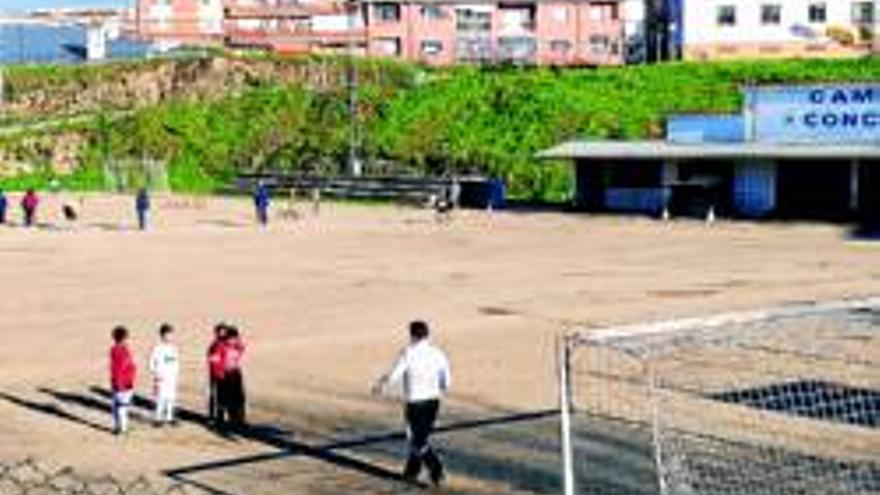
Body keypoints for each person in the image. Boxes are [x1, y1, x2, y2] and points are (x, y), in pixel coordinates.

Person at [373, 321, 451, 486]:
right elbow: (446, 381)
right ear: (427, 334)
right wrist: (438, 388)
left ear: (412, 335)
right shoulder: (438, 353)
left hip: (415, 404)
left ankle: (436, 469)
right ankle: (411, 472)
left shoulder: (407, 353)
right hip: (433, 402)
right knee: (421, 438)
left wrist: (381, 385)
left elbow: (395, 376)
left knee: (416, 440)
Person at [149, 323, 180, 426]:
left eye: (171, 334)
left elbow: (176, 362)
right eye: (167, 335)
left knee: (171, 398)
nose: (170, 337)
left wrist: (176, 374)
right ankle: (158, 418)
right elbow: (151, 363)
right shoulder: (157, 348)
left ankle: (169, 417)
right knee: (161, 398)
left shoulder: (174, 348)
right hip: (161, 378)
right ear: (162, 335)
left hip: (172, 378)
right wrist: (156, 374)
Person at [110, 325, 137, 435]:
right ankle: (123, 429)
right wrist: (120, 383)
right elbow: (120, 368)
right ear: (123, 338)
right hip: (123, 383)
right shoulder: (121, 351)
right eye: (126, 338)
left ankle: (118, 427)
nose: (128, 340)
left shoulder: (117, 349)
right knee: (122, 407)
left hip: (120, 382)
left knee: (117, 406)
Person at [220, 325, 246, 429]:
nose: (233, 341)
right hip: (227, 374)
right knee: (230, 398)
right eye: (231, 339)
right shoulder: (222, 348)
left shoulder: (237, 347)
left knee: (240, 397)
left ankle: (241, 419)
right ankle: (232, 419)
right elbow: (219, 362)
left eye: (235, 338)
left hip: (236, 373)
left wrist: (237, 340)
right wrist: (221, 374)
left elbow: (242, 347)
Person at [207, 323, 227, 425]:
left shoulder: (225, 344)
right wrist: (216, 372)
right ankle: (211, 417)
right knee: (213, 396)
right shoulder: (214, 345)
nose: (223, 333)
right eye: (221, 332)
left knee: (222, 397)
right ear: (216, 333)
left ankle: (221, 417)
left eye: (224, 331)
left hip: (224, 375)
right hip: (215, 375)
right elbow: (212, 361)